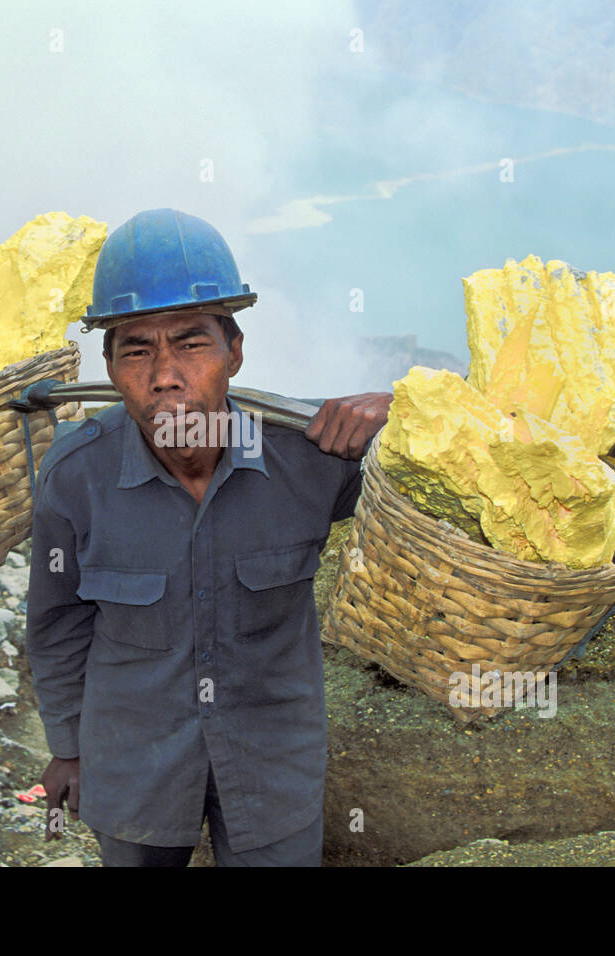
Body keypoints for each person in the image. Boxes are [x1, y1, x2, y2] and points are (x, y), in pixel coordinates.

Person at [24, 208, 390, 866]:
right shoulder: (75, 477)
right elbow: (56, 624)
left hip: (272, 766)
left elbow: (449, 490)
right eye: (136, 349)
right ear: (108, 365)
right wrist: (68, 747)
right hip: (132, 764)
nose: (164, 373)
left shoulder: (310, 460)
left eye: (191, 343)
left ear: (234, 352)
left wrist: (403, 416)